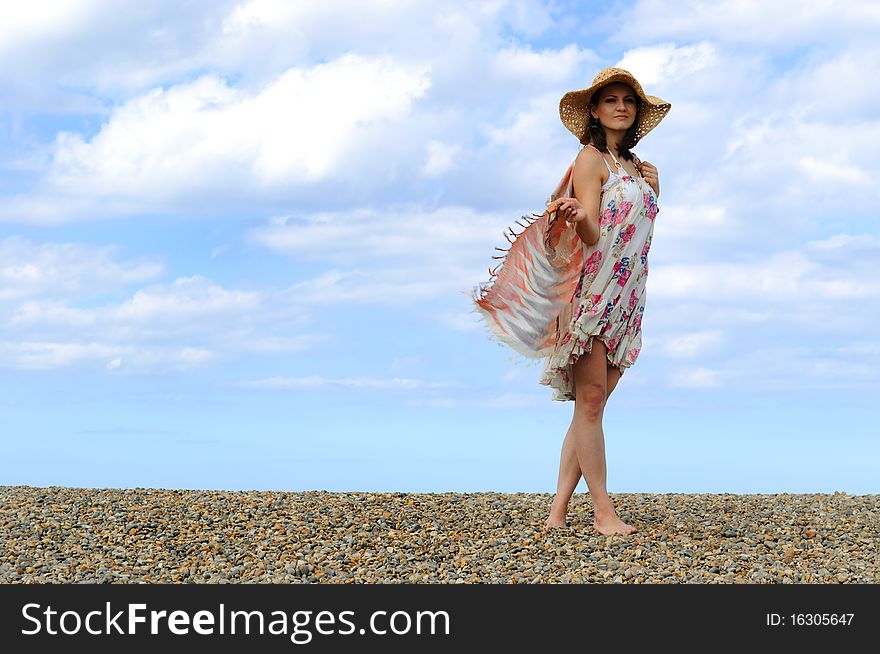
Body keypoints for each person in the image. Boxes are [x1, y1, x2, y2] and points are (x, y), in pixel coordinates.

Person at [470, 67, 670, 536]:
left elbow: (640, 231)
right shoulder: (590, 159)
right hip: (595, 292)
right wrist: (580, 216)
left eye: (629, 101)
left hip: (629, 294)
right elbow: (595, 233)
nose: (622, 106)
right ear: (596, 112)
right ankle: (603, 511)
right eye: (611, 100)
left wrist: (654, 190)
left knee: (589, 407)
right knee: (593, 403)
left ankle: (557, 512)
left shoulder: (643, 171)